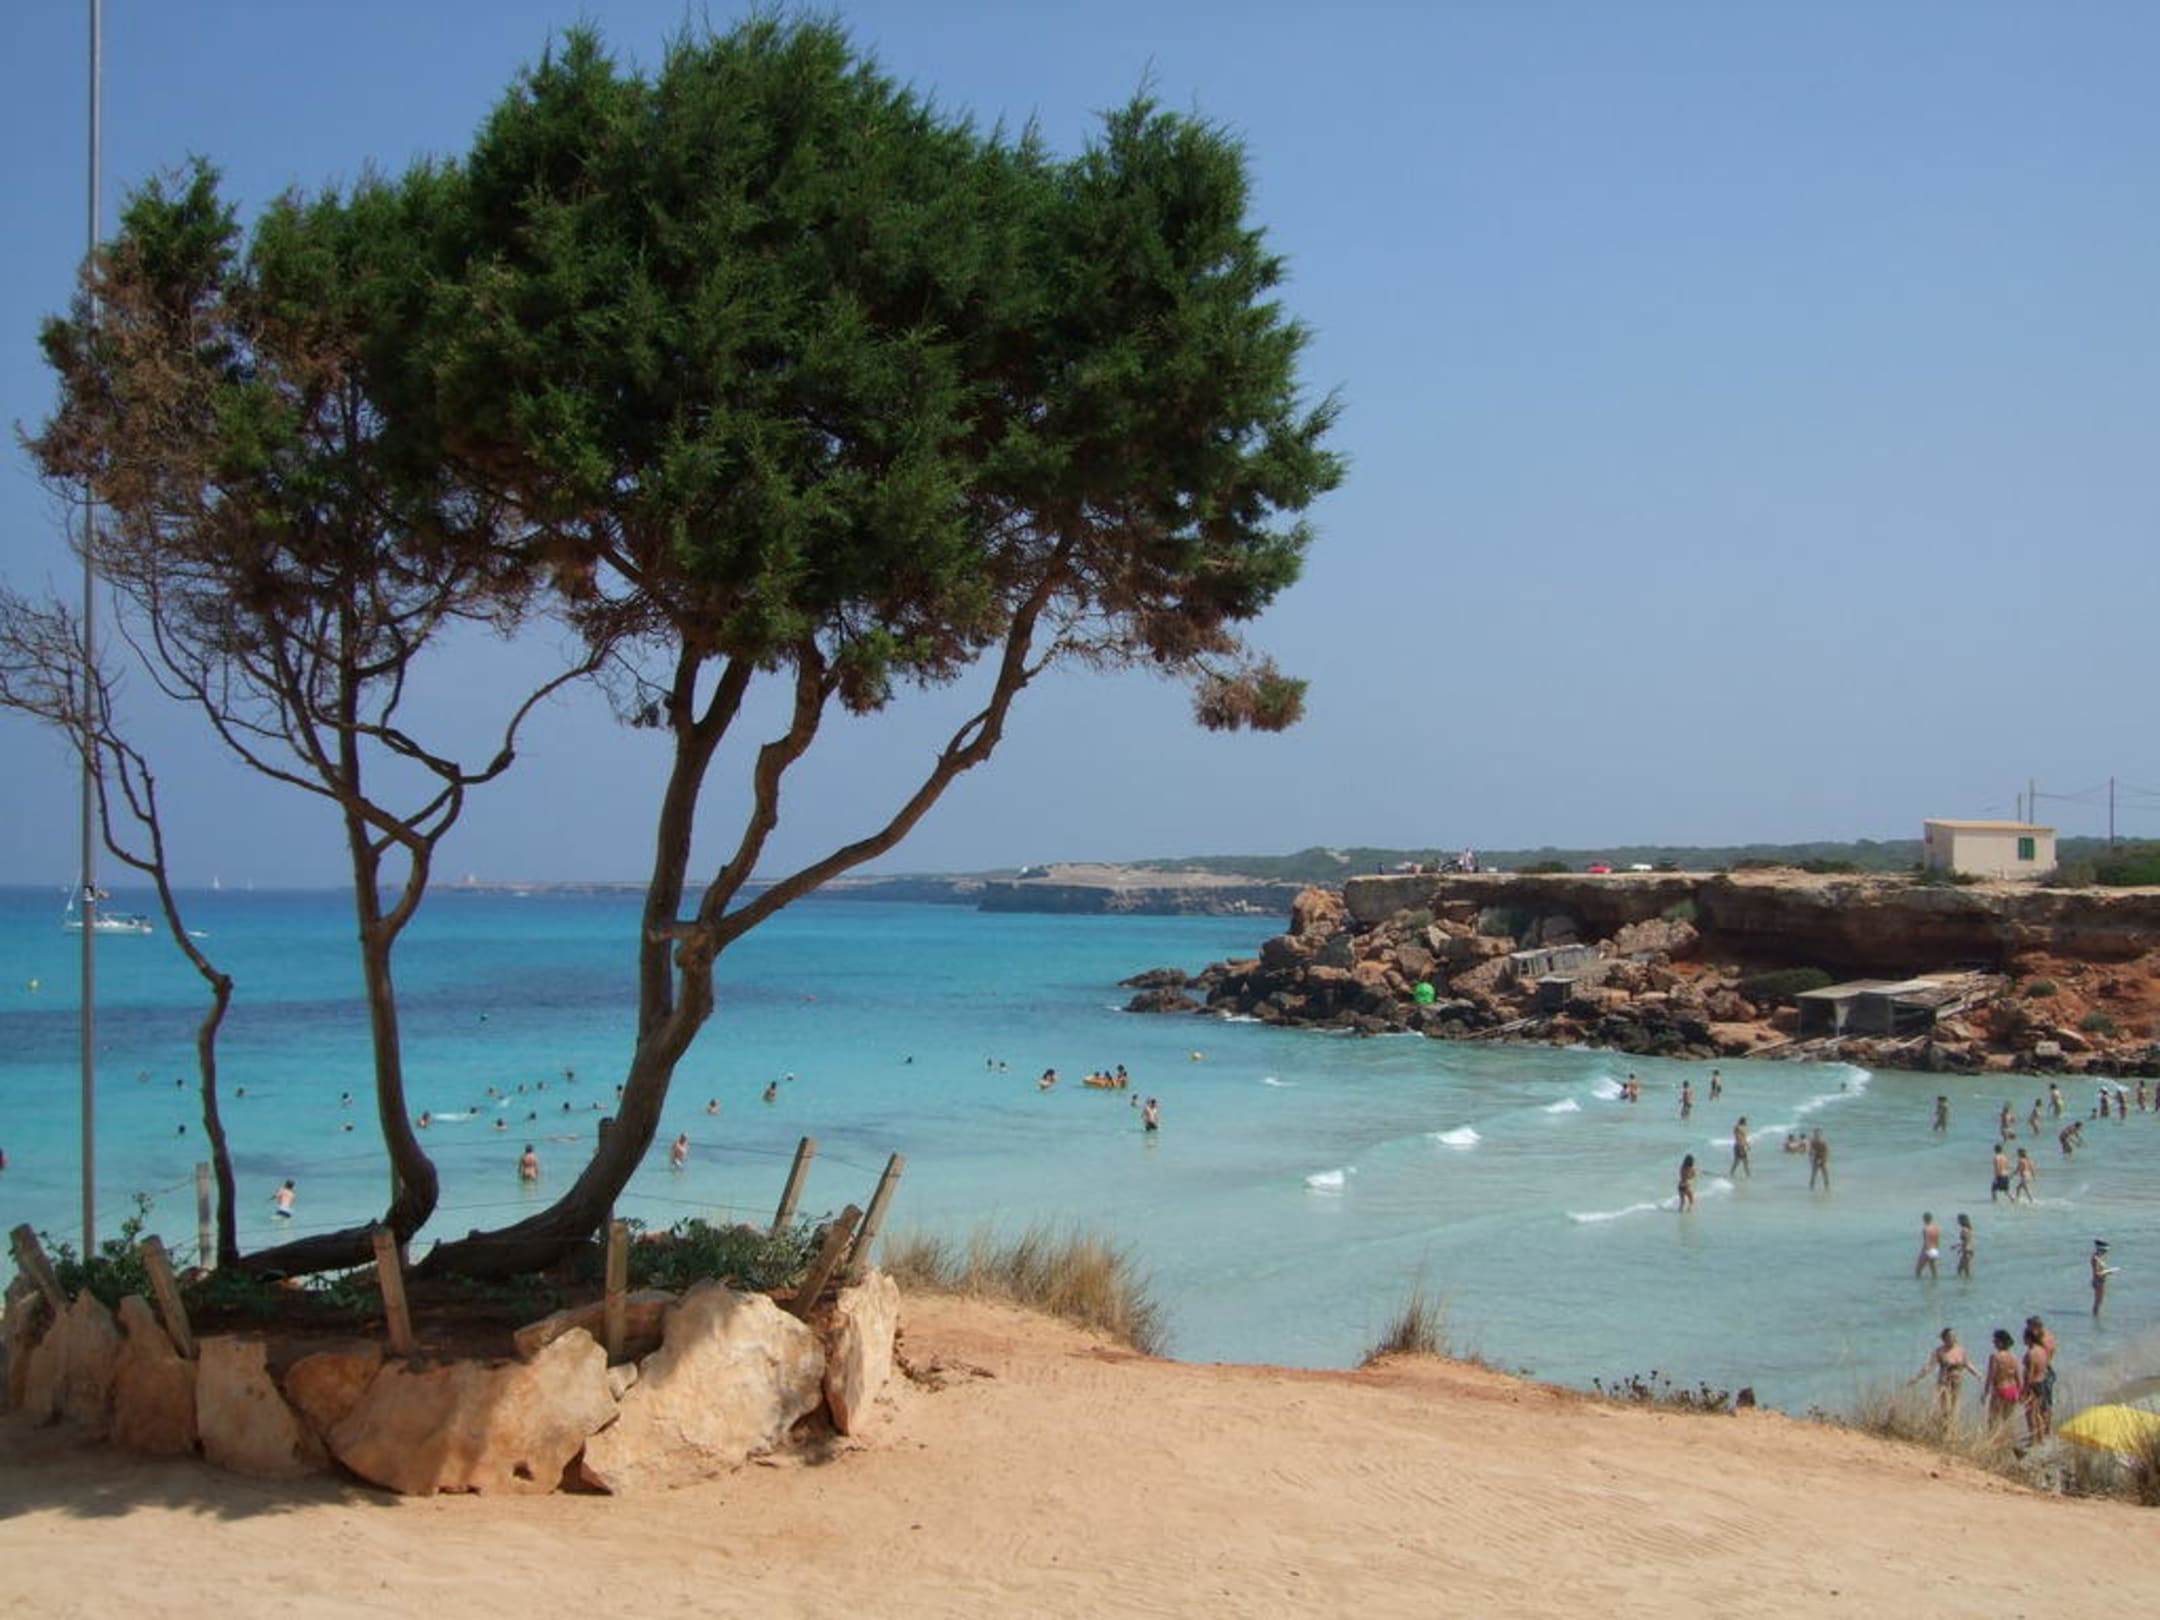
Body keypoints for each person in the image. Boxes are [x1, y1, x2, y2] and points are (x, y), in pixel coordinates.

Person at [1909, 1328, 1977, 1414]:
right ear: (1944, 1338)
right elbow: (1929, 1366)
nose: (1953, 1338)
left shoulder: (1961, 1350)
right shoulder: (1939, 1351)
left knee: (1955, 1406)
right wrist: (1917, 1378)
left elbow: (1967, 1364)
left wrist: (1978, 1375)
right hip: (1944, 1381)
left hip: (1957, 1381)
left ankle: (1952, 1421)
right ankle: (1942, 1419)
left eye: (1954, 1336)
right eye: (1950, 1336)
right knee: (1945, 1407)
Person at [2022, 1322, 2055, 1443]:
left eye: (2024, 1338)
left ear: (2028, 1339)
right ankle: (2041, 1438)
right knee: (2038, 1413)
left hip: (2033, 1384)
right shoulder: (2042, 1350)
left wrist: (2024, 1390)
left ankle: (2033, 1438)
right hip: (2041, 1383)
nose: (2023, 1340)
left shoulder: (2031, 1353)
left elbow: (2029, 1373)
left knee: (2030, 1413)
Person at [1984, 1329, 2022, 1427]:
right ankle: (2010, 1436)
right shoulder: (2014, 1357)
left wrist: (1985, 1393)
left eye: (1995, 1340)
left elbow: (1991, 1376)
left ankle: (1995, 1437)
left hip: (2000, 1390)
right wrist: (2020, 1394)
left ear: (2000, 1342)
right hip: (2012, 1390)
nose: (1993, 1343)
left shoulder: (1995, 1357)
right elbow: (2019, 1379)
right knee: (2008, 1421)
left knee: (1993, 1421)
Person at [2091, 1239, 2116, 1316]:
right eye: (2105, 1251)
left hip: (2100, 1280)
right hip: (2098, 1281)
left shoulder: (2098, 1257)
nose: (2106, 1253)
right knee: (2098, 1301)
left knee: (2099, 1301)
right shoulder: (2095, 1259)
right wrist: (2109, 1271)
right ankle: (2096, 1317)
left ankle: (2096, 1317)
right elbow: (2097, 1273)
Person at [1915, 1211, 1941, 1280]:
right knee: (1934, 1271)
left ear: (1925, 1219)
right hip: (1935, 1249)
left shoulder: (1926, 1229)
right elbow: (1938, 1240)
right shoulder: (1936, 1228)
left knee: (1918, 1270)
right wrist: (1936, 1249)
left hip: (1928, 1249)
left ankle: (1919, 1283)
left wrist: (1923, 1251)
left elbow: (1926, 1241)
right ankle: (1935, 1284)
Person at [1954, 1213, 1975, 1280]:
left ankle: (1965, 1284)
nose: (1957, 1221)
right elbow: (1968, 1241)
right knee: (1964, 1270)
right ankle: (1966, 1284)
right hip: (1970, 1250)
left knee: (1963, 1271)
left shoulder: (1964, 1230)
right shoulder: (1970, 1229)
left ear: (1962, 1220)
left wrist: (1961, 1249)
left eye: (1958, 1219)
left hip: (1966, 1251)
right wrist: (1956, 1246)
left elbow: (1965, 1242)